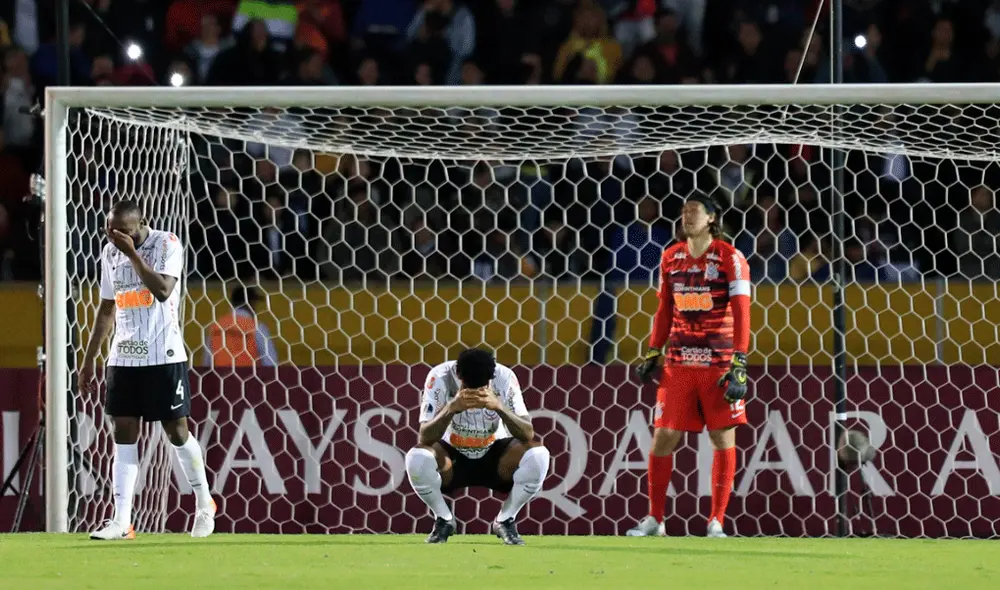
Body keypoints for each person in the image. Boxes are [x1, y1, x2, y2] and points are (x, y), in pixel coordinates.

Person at [80, 200, 216, 540]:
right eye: (110, 232)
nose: (115, 239)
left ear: (141, 225)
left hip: (164, 355)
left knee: (177, 433)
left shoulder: (167, 244)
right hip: (124, 358)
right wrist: (89, 359)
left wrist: (133, 255)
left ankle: (203, 504)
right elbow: (107, 308)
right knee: (122, 435)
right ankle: (122, 521)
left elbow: (162, 290)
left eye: (122, 233)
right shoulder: (109, 253)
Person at [627, 194, 752, 538]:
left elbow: (742, 312)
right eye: (684, 212)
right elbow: (664, 308)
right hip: (679, 362)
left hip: (719, 363)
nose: (687, 217)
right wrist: (654, 350)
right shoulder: (671, 257)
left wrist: (739, 361)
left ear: (712, 218)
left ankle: (716, 521)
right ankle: (654, 520)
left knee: (721, 438)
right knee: (664, 437)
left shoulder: (731, 258)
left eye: (694, 212)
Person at [405, 348, 549, 545]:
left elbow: (527, 433)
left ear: (492, 377)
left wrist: (499, 406)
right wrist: (450, 408)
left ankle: (505, 520)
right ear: (457, 375)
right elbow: (425, 437)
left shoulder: (505, 377)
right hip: (451, 459)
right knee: (417, 457)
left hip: (496, 458)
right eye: (468, 387)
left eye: (481, 387)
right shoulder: (439, 376)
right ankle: (444, 520)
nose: (474, 394)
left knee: (539, 455)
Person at [203, 285, 278, 367]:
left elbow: (207, 361)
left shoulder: (216, 325)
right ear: (252, 303)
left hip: (220, 377)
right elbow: (270, 362)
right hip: (248, 377)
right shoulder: (257, 327)